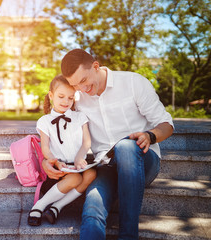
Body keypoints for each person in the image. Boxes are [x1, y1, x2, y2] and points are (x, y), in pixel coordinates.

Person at [42, 49, 174, 239]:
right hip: (105, 165)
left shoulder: (133, 83)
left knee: (125, 147)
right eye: (75, 85)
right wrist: (48, 160)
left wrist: (150, 135)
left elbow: (167, 125)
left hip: (143, 161)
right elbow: (55, 126)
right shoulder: (77, 97)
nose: (82, 89)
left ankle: (128, 235)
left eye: (84, 80)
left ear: (96, 66)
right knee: (92, 209)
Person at [28, 75, 97, 226]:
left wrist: (79, 158)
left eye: (70, 98)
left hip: (78, 164)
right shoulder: (44, 121)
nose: (66, 101)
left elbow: (87, 142)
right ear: (51, 95)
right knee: (75, 179)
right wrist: (55, 162)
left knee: (91, 174)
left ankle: (57, 207)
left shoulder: (79, 117)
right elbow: (45, 147)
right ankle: (39, 205)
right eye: (61, 97)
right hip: (59, 168)